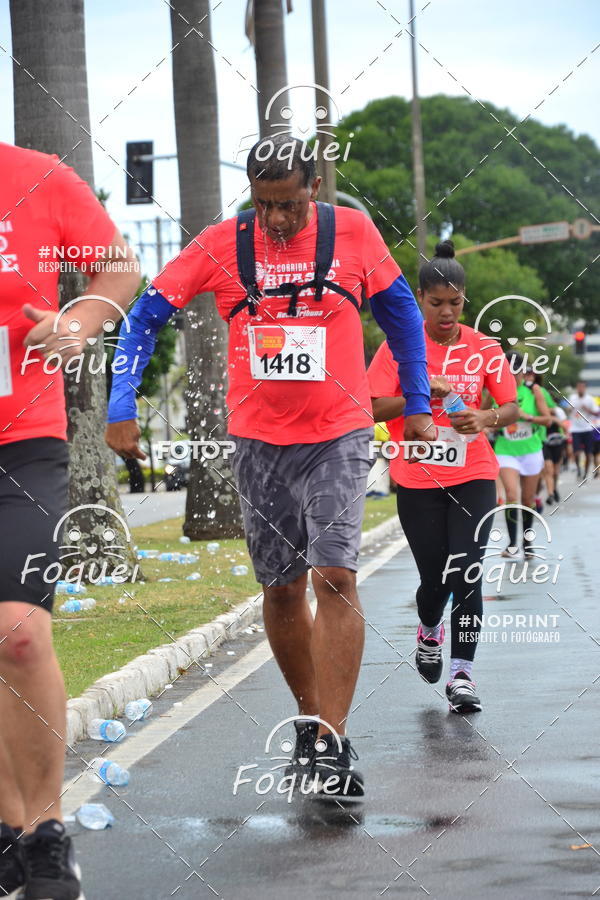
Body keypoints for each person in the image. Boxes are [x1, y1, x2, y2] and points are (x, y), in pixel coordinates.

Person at [105, 134, 433, 798]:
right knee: (283, 589)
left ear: (314, 187)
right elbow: (145, 315)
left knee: (335, 574)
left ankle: (333, 740)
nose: (277, 219)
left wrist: (419, 401)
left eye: (289, 204)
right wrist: (121, 401)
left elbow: (401, 313)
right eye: (264, 205)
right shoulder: (222, 243)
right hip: (257, 441)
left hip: (338, 433)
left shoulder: (354, 232)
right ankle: (311, 722)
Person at [0, 142, 139, 900]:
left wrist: (77, 325)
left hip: (22, 440)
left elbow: (119, 270)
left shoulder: (37, 177)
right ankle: (8, 827)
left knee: (18, 632)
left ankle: (46, 832)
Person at [368, 240, 518, 713]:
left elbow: (511, 407)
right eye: (436, 303)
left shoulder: (485, 348)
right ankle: (429, 627)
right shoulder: (397, 346)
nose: (447, 312)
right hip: (417, 478)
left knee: (467, 571)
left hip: (474, 474)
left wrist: (485, 417)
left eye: (455, 302)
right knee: (434, 581)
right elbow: (371, 407)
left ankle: (462, 675)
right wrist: (419, 394)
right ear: (419, 299)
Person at [493, 357, 552, 559]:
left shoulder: (533, 390)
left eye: (516, 373)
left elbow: (547, 420)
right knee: (511, 495)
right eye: (508, 373)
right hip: (505, 449)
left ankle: (527, 543)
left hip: (530, 449)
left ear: (522, 372)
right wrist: (488, 423)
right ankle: (512, 544)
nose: (513, 377)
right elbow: (483, 412)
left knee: (527, 499)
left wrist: (528, 417)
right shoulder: (494, 390)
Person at [567, 380, 598, 480]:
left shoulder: (589, 399)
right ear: (577, 388)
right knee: (576, 452)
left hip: (587, 428)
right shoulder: (573, 398)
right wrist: (571, 409)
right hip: (575, 429)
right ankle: (579, 470)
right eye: (579, 387)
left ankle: (585, 472)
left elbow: (596, 413)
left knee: (588, 453)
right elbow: (568, 409)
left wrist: (587, 409)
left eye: (582, 387)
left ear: (585, 388)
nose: (580, 389)